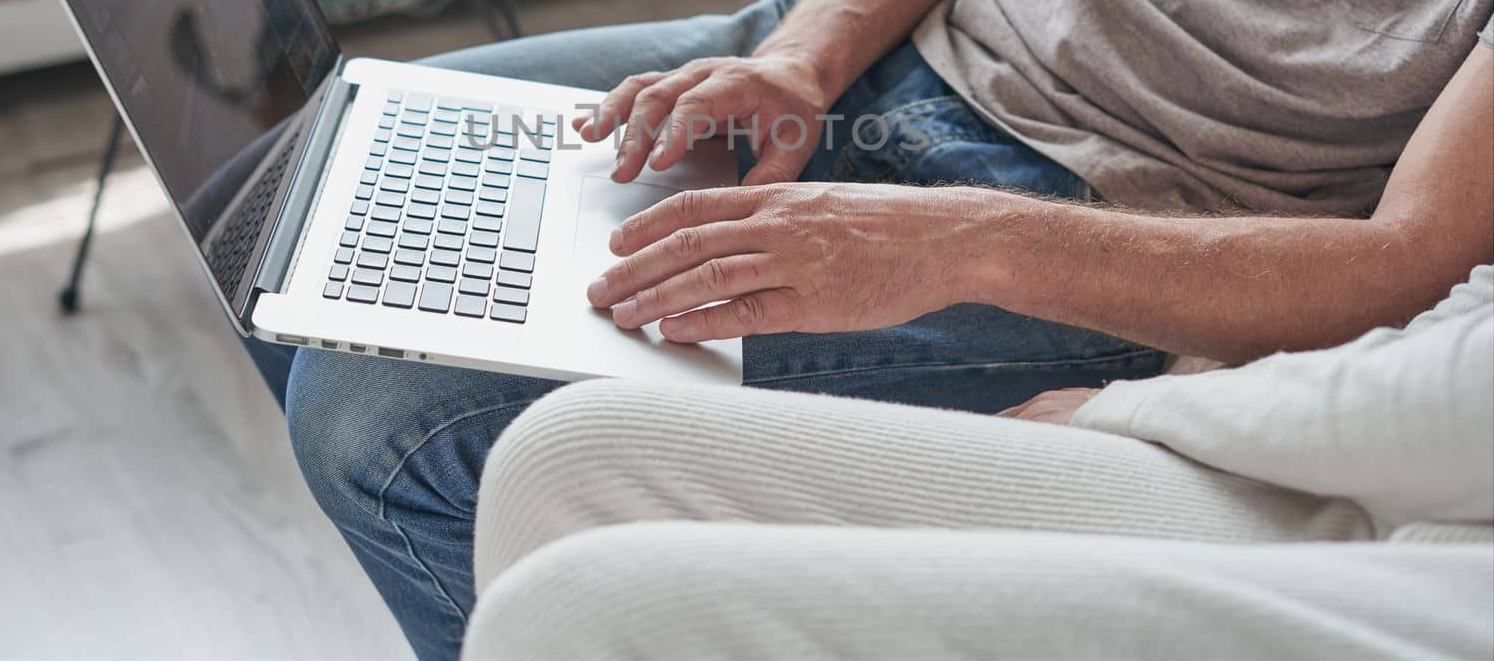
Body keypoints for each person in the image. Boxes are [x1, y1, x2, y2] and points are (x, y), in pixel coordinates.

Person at [244, 0, 1494, 655]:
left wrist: (947, 242)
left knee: (389, 428)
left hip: (1112, 234)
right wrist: (800, 60)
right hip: (893, 49)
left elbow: (1408, 260)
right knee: (298, 189)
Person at [462, 267, 1494, 659]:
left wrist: (1133, 402)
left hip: (1450, 563)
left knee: (583, 614)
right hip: (1410, 470)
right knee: (571, 454)